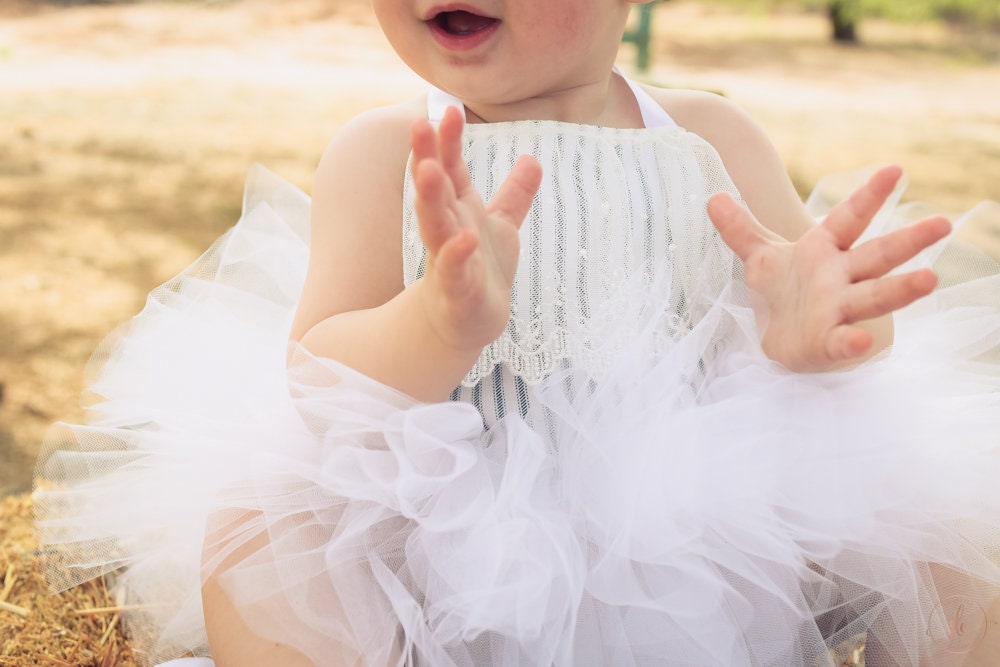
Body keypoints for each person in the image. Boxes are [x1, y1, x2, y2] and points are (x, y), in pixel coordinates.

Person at [34, 0, 1000, 665]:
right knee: (252, 532)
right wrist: (434, 324)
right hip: (432, 538)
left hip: (701, 531)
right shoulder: (381, 152)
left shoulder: (708, 136)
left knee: (948, 537)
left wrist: (811, 335)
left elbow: (824, 330)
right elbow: (319, 373)